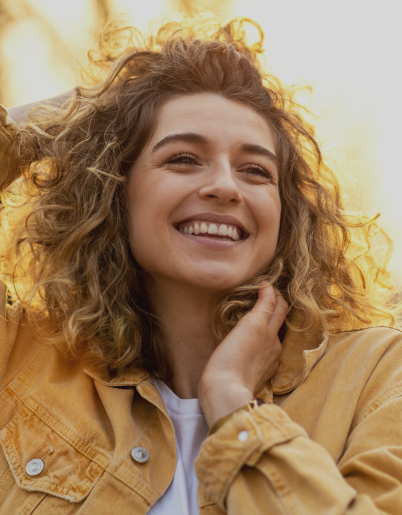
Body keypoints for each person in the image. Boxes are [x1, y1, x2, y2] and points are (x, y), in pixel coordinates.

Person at [0, 13, 401, 515]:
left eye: (255, 170)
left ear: (286, 211)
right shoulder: (22, 360)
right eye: (184, 159)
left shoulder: (378, 374)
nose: (226, 187)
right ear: (113, 189)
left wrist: (233, 404)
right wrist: (91, 112)